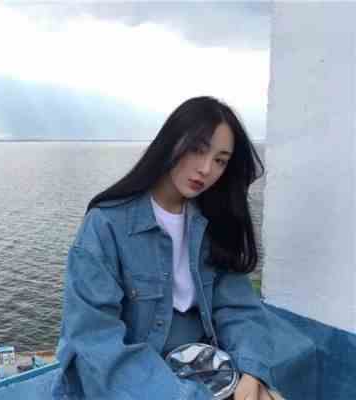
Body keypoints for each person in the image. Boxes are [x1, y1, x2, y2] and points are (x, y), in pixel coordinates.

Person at [51, 96, 288, 400]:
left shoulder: (215, 221)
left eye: (220, 160)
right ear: (172, 142)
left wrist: (251, 372)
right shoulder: (106, 225)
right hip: (135, 386)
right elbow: (94, 338)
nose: (206, 169)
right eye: (197, 149)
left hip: (204, 374)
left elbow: (238, 307)